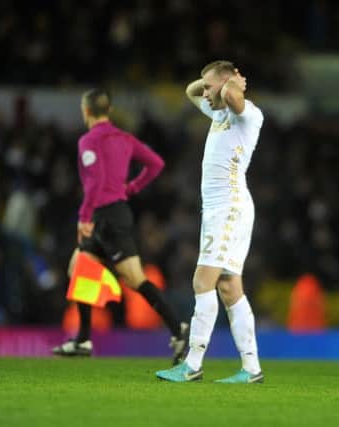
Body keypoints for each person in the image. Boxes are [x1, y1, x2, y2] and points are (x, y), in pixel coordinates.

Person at [52, 89, 188, 364]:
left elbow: (95, 181)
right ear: (108, 111)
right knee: (80, 266)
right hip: (114, 212)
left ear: (86, 111)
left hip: (107, 217)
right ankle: (84, 338)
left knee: (135, 278)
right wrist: (133, 187)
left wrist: (84, 216)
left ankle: (178, 329)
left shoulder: (88, 141)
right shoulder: (124, 138)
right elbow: (156, 163)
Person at [156, 61, 264, 383]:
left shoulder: (248, 114)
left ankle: (192, 364)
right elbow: (191, 91)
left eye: (209, 86)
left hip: (229, 207)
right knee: (229, 288)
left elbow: (234, 99)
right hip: (221, 210)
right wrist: (213, 84)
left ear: (226, 85)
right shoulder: (217, 113)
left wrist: (231, 85)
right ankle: (251, 368)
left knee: (202, 282)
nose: (203, 93)